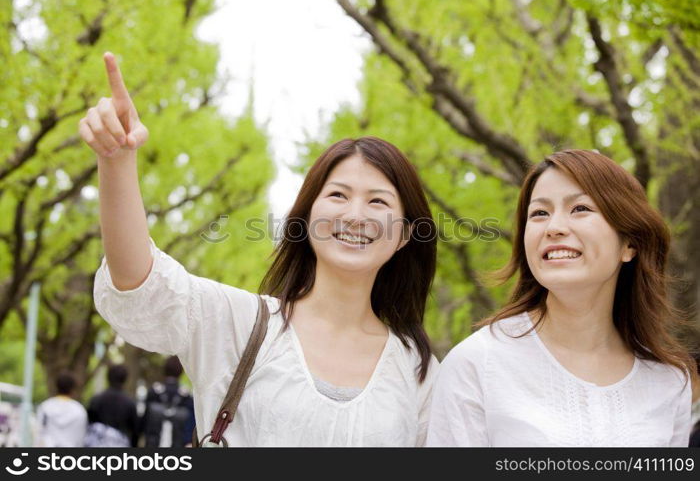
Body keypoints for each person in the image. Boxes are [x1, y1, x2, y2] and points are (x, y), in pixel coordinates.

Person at [83, 52, 439, 446]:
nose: (355, 215)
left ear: (406, 235)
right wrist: (116, 161)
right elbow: (140, 285)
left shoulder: (419, 370)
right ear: (305, 219)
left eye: (378, 202)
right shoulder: (238, 325)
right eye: (338, 195)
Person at [427, 149, 697, 447]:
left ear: (629, 243)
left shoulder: (669, 380)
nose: (554, 228)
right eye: (539, 213)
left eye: (580, 208)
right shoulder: (477, 364)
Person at [140, 356, 194, 447]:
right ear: (181, 372)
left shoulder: (153, 392)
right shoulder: (187, 397)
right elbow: (190, 428)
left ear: (164, 370)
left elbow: (143, 423)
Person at [86, 364, 139, 447]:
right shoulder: (130, 403)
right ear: (125, 379)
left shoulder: (96, 400)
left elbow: (88, 425)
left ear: (107, 377)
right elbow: (135, 432)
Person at [35, 373, 87, 447]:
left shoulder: (45, 407)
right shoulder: (79, 410)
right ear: (72, 388)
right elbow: (81, 436)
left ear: (56, 386)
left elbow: (40, 432)